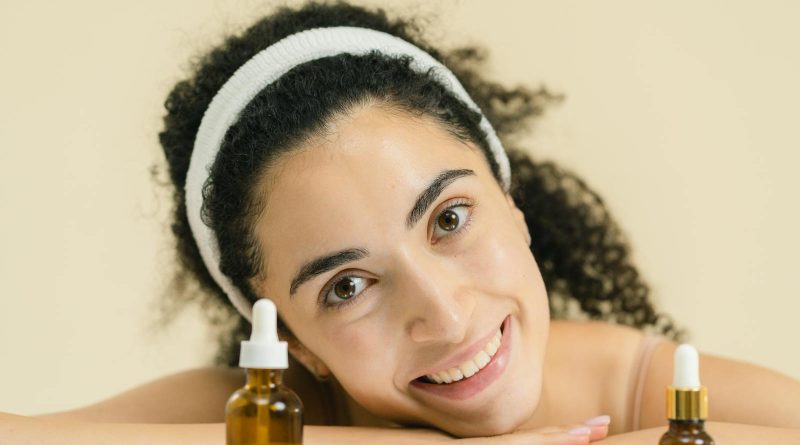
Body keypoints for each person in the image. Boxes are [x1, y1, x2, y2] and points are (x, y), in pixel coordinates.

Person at [2, 2, 799, 444]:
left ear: (510, 200)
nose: (445, 314)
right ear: (294, 342)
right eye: (347, 285)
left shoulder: (656, 395)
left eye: (449, 216)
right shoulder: (261, 409)